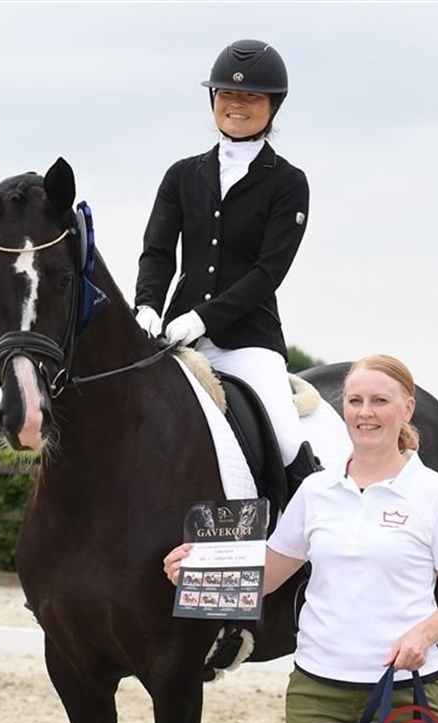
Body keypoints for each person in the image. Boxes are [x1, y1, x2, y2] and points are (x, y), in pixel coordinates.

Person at [163, 354, 438, 723]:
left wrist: (423, 636)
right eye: (355, 401)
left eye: (380, 401)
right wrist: (200, 568)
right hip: (318, 694)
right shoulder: (316, 491)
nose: (365, 412)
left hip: (408, 692)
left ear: (407, 408)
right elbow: (269, 574)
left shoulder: (437, 495)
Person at [134, 38, 320, 491]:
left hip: (248, 341)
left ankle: (304, 522)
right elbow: (158, 252)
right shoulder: (182, 175)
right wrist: (147, 305)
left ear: (273, 106)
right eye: (227, 94)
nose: (237, 104)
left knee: (284, 439)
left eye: (251, 96)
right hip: (175, 339)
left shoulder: (288, 183)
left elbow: (267, 273)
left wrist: (202, 318)